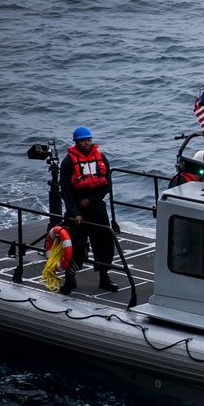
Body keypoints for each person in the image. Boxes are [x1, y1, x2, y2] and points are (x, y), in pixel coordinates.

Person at [59, 126, 117, 294]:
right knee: (75, 245)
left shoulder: (101, 158)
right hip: (77, 209)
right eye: (83, 140)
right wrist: (74, 212)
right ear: (76, 142)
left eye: (89, 139)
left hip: (97, 208)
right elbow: (66, 190)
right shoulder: (68, 162)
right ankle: (70, 279)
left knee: (104, 242)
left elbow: (107, 184)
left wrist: (91, 199)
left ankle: (104, 277)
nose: (87, 143)